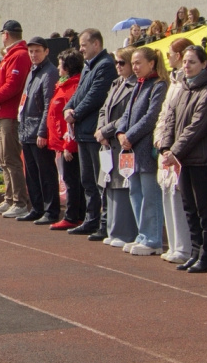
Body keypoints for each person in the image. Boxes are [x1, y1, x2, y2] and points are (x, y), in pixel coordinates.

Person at [159, 45, 207, 273]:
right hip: (184, 159)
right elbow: (171, 120)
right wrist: (166, 147)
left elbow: (197, 127)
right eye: (185, 61)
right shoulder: (184, 89)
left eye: (192, 62)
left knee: (204, 209)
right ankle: (195, 252)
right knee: (189, 208)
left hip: (202, 159)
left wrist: (174, 151)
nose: (186, 66)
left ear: (204, 64)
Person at [65, 29, 115, 237]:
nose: (80, 49)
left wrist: (74, 114)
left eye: (84, 45)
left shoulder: (105, 66)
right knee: (87, 180)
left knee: (99, 180)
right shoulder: (88, 66)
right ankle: (91, 219)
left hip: (94, 131)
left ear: (96, 44)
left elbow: (96, 96)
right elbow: (79, 93)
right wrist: (68, 108)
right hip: (83, 132)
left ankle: (103, 224)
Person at [118, 47, 166, 256]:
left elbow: (151, 117)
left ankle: (153, 238)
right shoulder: (139, 85)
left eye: (139, 63)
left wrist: (130, 135)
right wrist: (121, 132)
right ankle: (142, 235)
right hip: (131, 149)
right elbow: (127, 113)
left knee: (150, 195)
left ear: (151, 63)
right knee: (135, 192)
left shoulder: (158, 85)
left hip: (145, 148)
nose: (135, 67)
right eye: (133, 63)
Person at [152, 37, 194, 262]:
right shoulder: (174, 82)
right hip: (165, 145)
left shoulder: (186, 83)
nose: (167, 58)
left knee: (178, 196)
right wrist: (159, 138)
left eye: (170, 54)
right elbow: (164, 114)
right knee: (167, 193)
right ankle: (175, 243)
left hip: (178, 148)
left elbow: (181, 119)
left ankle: (184, 247)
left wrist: (172, 146)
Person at [0, 22, 31, 217]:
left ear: (5, 35)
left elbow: (13, 85)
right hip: (3, 112)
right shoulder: (12, 55)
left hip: (9, 113)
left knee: (10, 158)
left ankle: (19, 201)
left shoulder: (18, 55)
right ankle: (11, 198)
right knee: (4, 158)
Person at [94, 49, 138, 245]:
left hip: (121, 141)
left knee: (122, 185)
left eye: (122, 62)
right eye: (117, 63)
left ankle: (125, 232)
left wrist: (107, 130)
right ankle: (113, 230)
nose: (118, 66)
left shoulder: (135, 85)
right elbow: (104, 109)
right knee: (109, 184)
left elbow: (128, 115)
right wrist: (100, 129)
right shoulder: (116, 83)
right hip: (107, 141)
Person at [16, 37, 58, 223]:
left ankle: (50, 211)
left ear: (46, 51)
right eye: (31, 51)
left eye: (37, 51)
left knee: (46, 173)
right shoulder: (32, 72)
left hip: (38, 131)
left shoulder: (49, 72)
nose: (33, 55)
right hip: (26, 130)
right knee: (31, 173)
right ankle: (37, 207)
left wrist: (43, 132)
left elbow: (48, 105)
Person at [43, 50, 83, 229]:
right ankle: (75, 214)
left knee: (71, 180)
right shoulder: (63, 85)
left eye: (60, 65)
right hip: (59, 141)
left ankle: (73, 216)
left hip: (68, 143)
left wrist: (68, 145)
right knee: (68, 179)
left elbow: (70, 119)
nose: (58, 68)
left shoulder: (72, 87)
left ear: (67, 67)